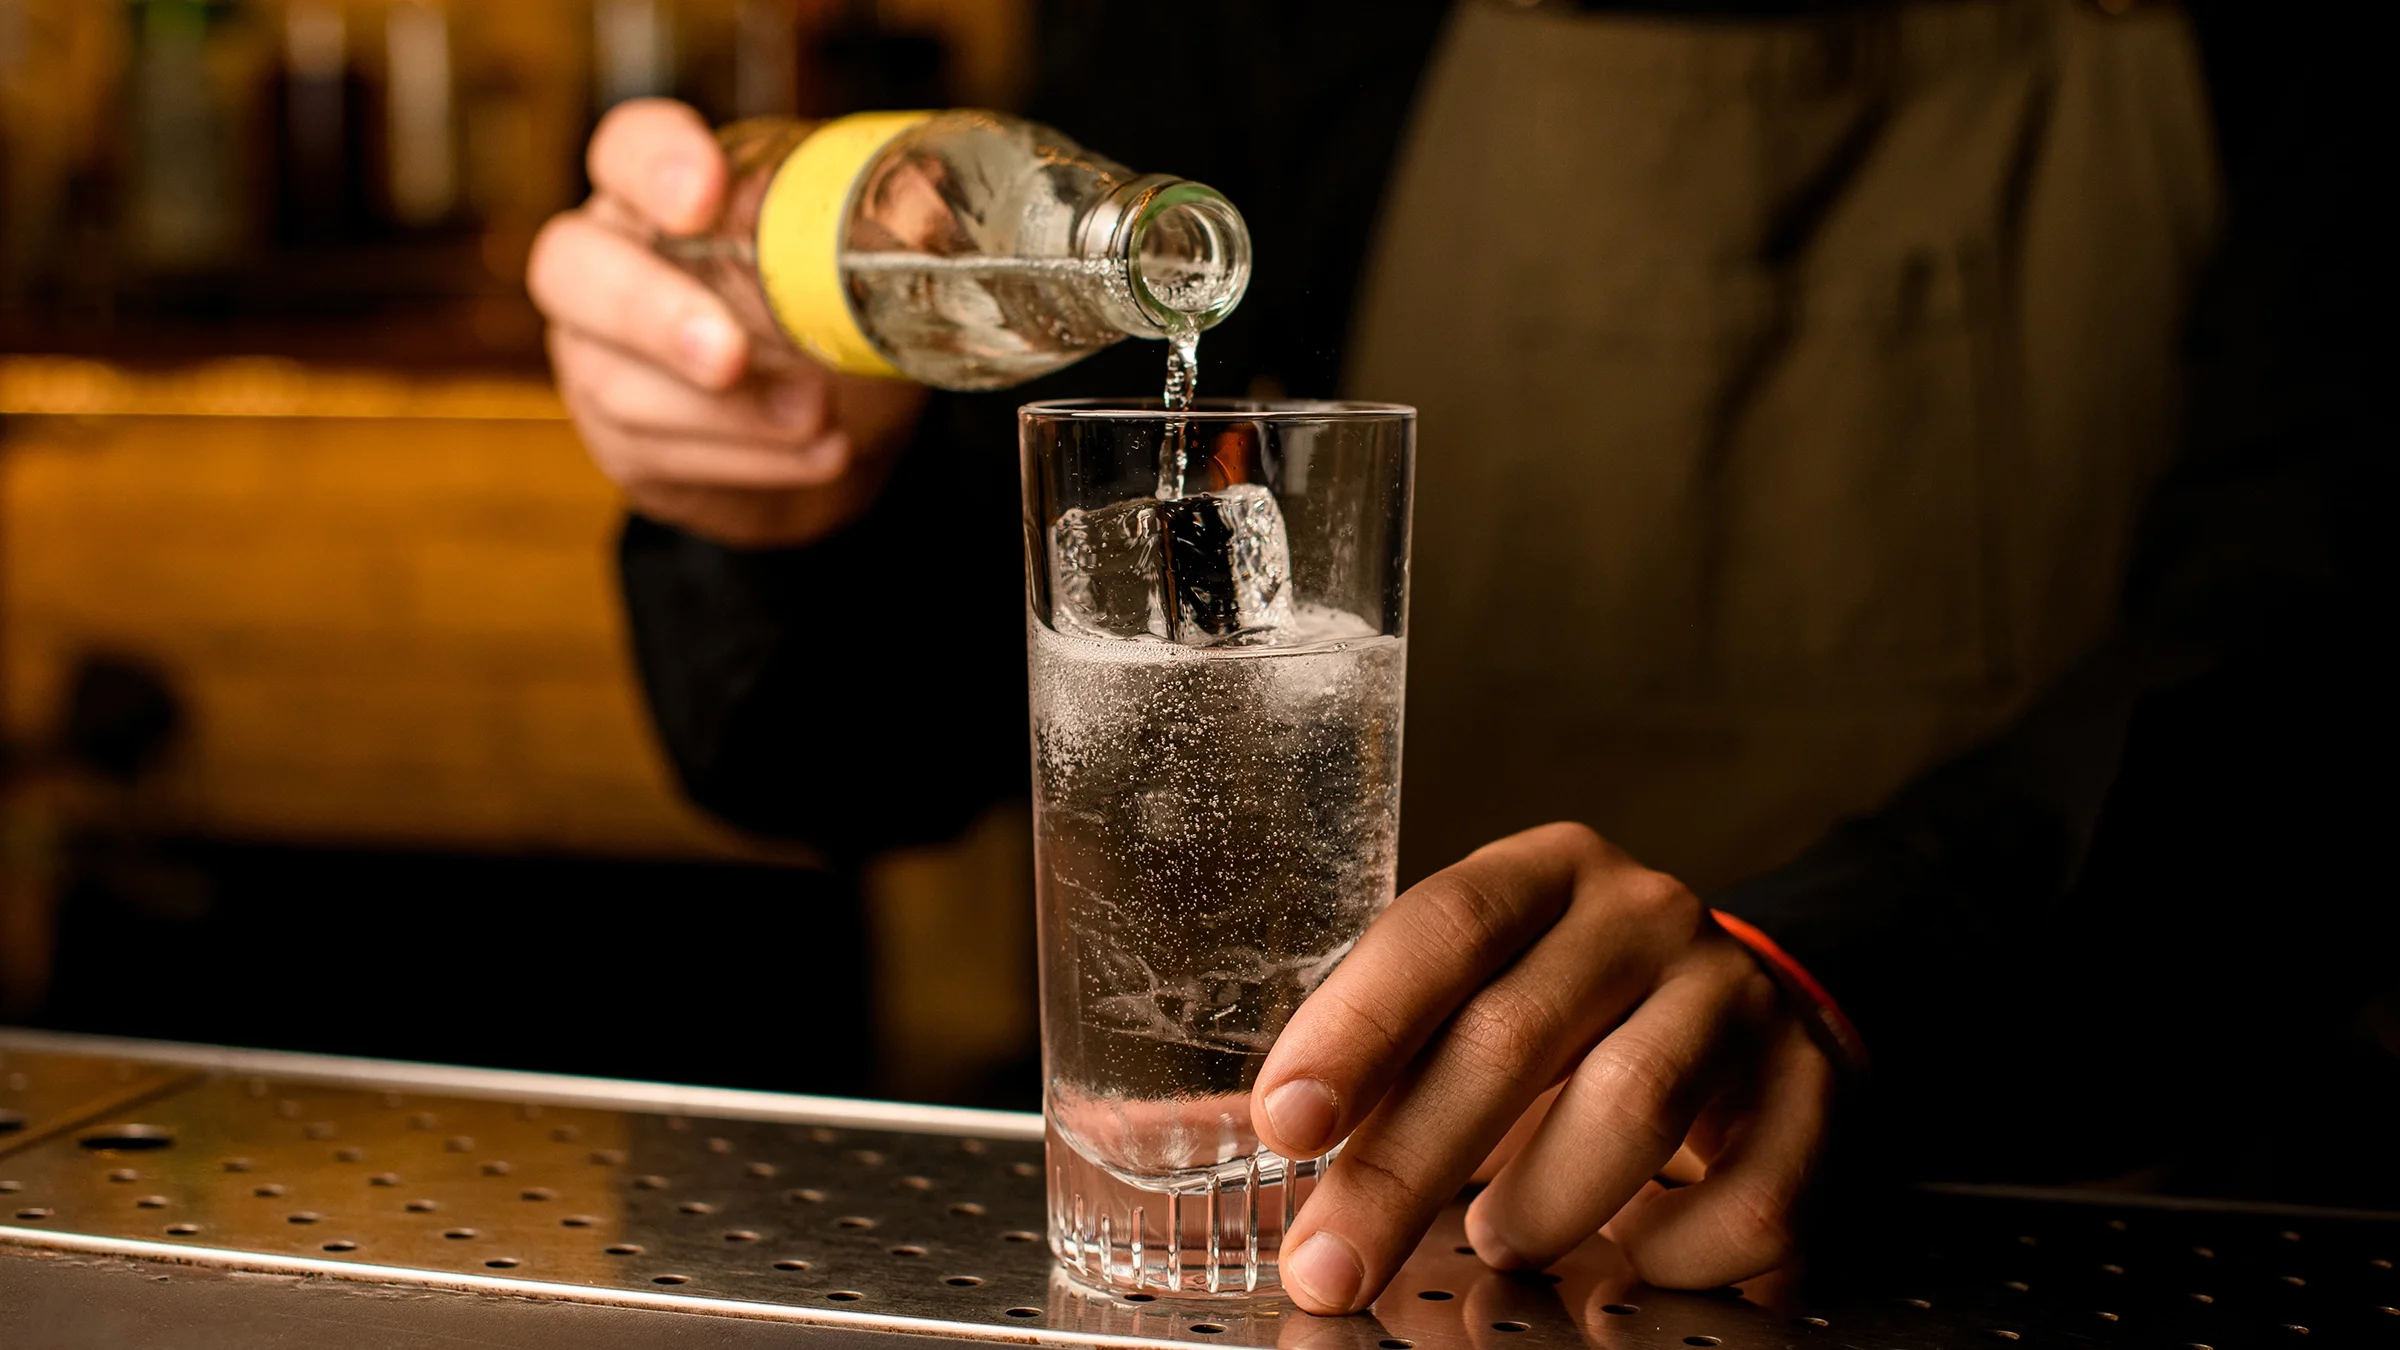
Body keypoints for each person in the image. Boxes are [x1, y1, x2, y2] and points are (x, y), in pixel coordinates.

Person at [528, 0, 2389, 1317]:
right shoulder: (1247, 33)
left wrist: (1844, 957)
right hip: (1319, 1248)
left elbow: (2329, 649)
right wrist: (778, 493)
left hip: (2048, 1202)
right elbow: (859, 734)